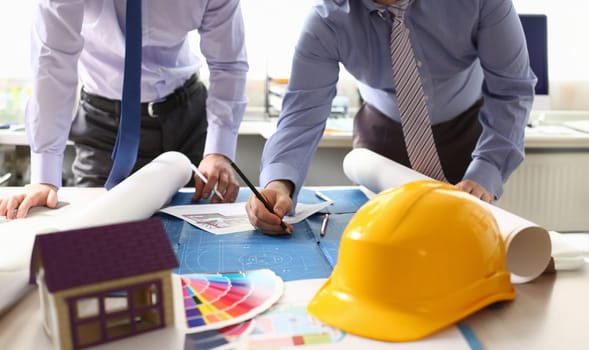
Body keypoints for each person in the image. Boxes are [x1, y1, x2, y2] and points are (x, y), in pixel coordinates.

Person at [245, 0, 536, 235]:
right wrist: (278, 184)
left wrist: (486, 171)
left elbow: (512, 89)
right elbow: (301, 114)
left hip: (467, 140)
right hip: (383, 145)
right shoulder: (327, 18)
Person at [0, 0, 248, 219]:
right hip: (104, 126)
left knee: (199, 234)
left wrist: (218, 151)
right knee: (93, 235)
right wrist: (44, 178)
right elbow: (53, 62)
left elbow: (227, 64)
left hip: (186, 119)